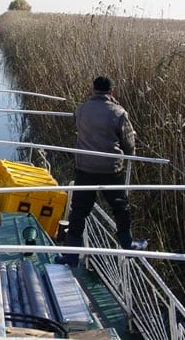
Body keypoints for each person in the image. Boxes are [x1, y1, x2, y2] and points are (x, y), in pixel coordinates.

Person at [56, 76, 147, 267]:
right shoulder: (118, 112)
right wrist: (129, 154)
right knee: (120, 207)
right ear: (111, 92)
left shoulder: (81, 109)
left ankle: (71, 255)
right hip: (110, 170)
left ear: (93, 89)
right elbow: (129, 145)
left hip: (85, 168)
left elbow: (79, 125)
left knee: (79, 211)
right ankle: (128, 245)